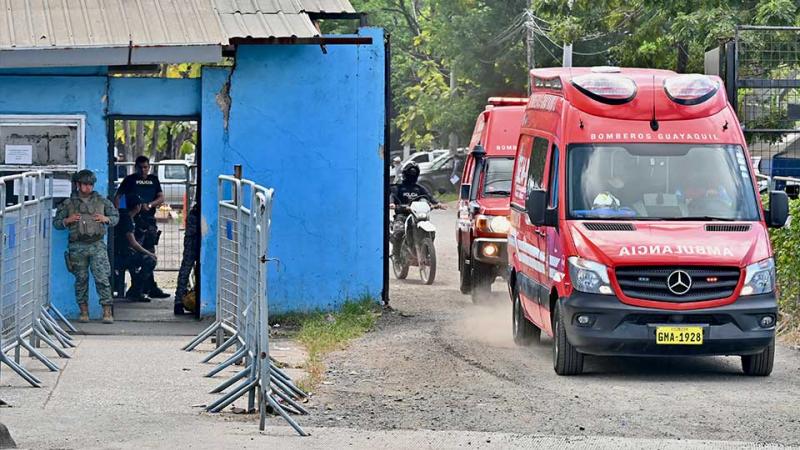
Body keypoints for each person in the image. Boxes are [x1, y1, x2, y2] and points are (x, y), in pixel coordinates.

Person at [54, 169, 119, 324]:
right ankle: (84, 312)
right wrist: (67, 221)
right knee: (81, 280)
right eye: (85, 184)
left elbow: (115, 217)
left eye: (90, 184)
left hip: (97, 246)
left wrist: (106, 219)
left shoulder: (101, 201)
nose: (88, 187)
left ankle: (107, 311)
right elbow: (56, 223)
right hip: (77, 247)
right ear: (78, 185)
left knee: (102, 278)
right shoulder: (69, 203)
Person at [114, 155, 170, 299]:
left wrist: (150, 205)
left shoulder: (153, 180)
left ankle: (150, 287)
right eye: (140, 167)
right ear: (136, 167)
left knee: (149, 251)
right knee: (137, 253)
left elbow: (161, 197)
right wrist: (123, 213)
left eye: (146, 167)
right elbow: (118, 197)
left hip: (148, 219)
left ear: (149, 167)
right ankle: (136, 288)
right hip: (134, 219)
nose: (143, 170)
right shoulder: (130, 180)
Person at [389, 162, 446, 256]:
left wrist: (437, 204)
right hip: (402, 216)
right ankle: (397, 256)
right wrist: (392, 204)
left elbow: (429, 197)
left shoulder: (419, 188)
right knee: (399, 232)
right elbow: (392, 196)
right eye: (410, 173)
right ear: (405, 174)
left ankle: (426, 253)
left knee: (431, 232)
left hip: (418, 216)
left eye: (414, 174)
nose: (412, 176)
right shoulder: (398, 188)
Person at [114, 194, 157, 302]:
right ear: (137, 207)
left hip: (122, 253)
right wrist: (149, 253)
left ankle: (135, 290)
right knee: (149, 260)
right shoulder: (126, 219)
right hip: (120, 256)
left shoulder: (128, 216)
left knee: (137, 260)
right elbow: (133, 243)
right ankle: (136, 291)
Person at [174, 202, 199, 315]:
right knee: (187, 267)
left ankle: (179, 301)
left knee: (187, 267)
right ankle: (179, 301)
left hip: (196, 222)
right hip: (196, 224)